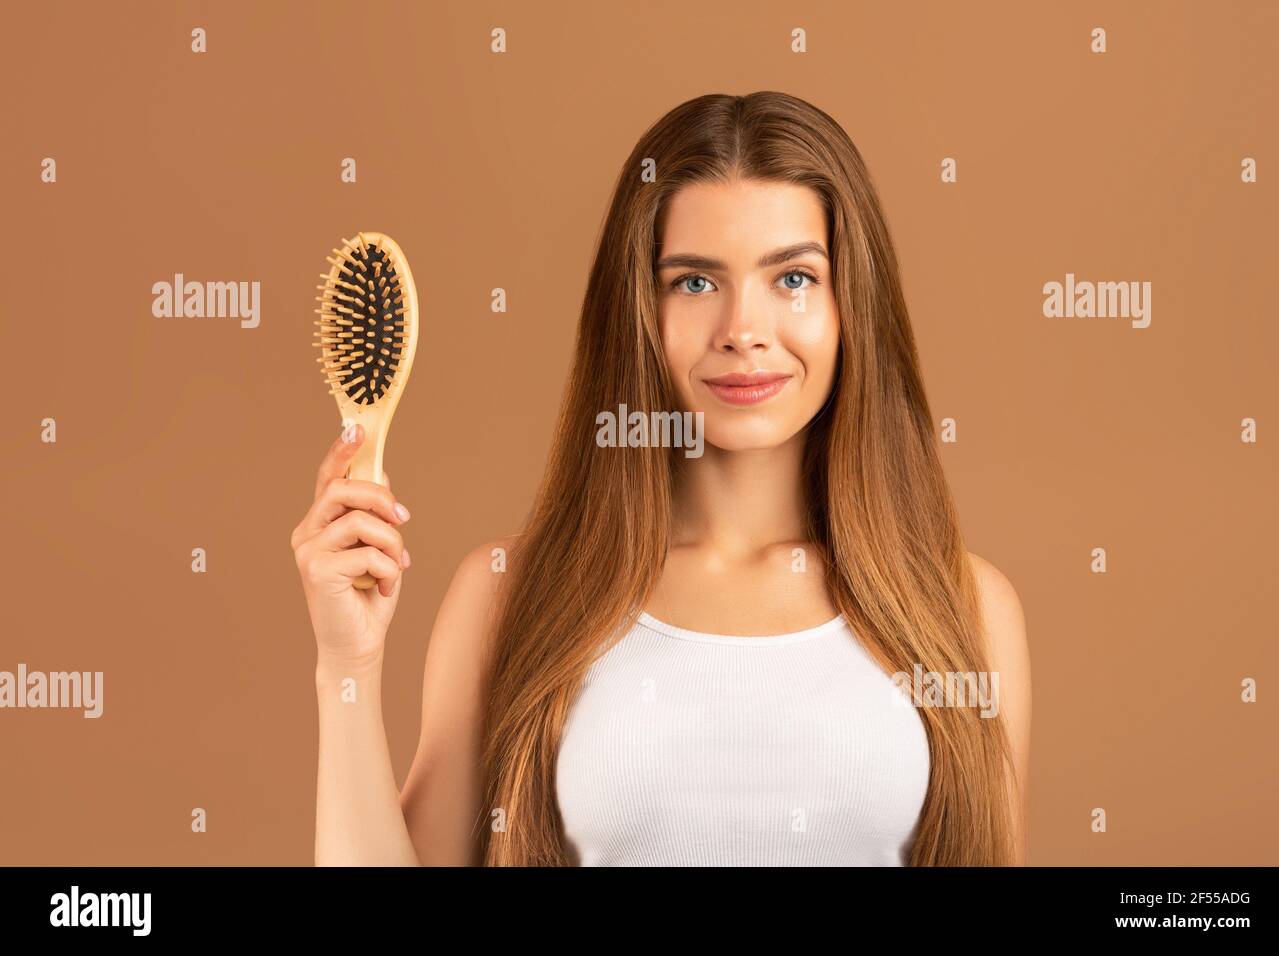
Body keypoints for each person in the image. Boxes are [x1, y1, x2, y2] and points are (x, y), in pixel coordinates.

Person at [291, 91, 1031, 867]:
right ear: (638, 310)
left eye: (794, 279)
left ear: (853, 306)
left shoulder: (968, 611)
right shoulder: (508, 598)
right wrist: (347, 666)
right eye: (695, 282)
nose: (743, 331)